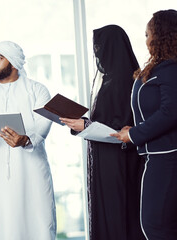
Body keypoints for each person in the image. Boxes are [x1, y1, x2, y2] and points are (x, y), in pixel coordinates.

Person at [60, 25, 145, 240]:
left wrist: (86, 126)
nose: (97, 52)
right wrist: (83, 124)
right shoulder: (112, 80)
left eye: (100, 46)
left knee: (118, 214)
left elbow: (123, 129)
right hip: (106, 159)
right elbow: (108, 122)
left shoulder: (123, 82)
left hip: (119, 162)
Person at [0, 41, 56, 240]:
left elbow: (42, 127)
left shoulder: (38, 91)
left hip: (31, 170)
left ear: (14, 63)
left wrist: (25, 140)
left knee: (37, 221)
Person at [111, 9, 177, 239]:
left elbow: (171, 112)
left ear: (162, 36)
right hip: (157, 155)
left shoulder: (171, 68)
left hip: (167, 157)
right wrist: (133, 130)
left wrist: (135, 133)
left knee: (155, 227)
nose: (146, 39)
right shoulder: (160, 67)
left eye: (148, 34)